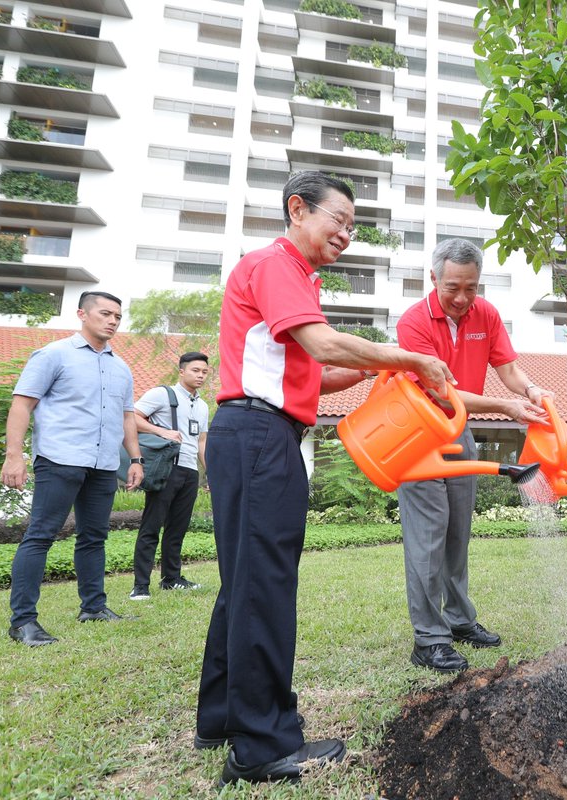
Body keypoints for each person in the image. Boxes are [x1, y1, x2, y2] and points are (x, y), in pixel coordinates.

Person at [195, 172, 454, 787]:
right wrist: (408, 357)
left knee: (243, 580)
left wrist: (379, 374)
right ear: (296, 209)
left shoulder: (289, 277)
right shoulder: (277, 263)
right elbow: (323, 345)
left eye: (352, 227)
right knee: (263, 585)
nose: (345, 234)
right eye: (337, 219)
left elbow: (316, 372)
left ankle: (222, 718)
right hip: (261, 438)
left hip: (249, 433)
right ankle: (261, 746)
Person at [396, 238, 550, 675]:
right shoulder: (413, 322)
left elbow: (508, 370)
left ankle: (460, 620)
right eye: (453, 288)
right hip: (419, 430)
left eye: (472, 288)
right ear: (434, 279)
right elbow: (438, 390)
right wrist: (504, 406)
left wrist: (530, 390)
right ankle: (429, 638)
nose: (463, 299)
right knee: (428, 534)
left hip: (459, 430)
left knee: (457, 532)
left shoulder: (486, 315)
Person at [1, 291, 144, 647]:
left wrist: (136, 458)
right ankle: (23, 623)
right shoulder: (53, 355)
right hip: (60, 459)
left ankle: (94, 607)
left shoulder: (120, 367)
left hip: (103, 464)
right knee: (40, 536)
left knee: (94, 537)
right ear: (82, 313)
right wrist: (13, 454)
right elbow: (22, 404)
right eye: (106, 313)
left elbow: (127, 416)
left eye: (118, 316)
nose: (112, 321)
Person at [129, 351, 211, 600]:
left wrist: (210, 474)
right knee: (151, 527)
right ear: (182, 371)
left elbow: (202, 442)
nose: (200, 375)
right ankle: (140, 585)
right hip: (166, 467)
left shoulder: (204, 405)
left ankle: (171, 579)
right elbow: (131, 416)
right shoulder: (162, 394)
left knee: (178, 529)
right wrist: (161, 431)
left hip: (190, 471)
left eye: (205, 372)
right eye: (196, 370)